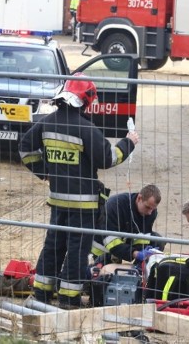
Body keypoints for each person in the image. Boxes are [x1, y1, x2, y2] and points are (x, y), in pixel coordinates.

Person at [19, 73, 139, 309]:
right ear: (85, 100)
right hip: (83, 206)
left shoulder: (46, 123)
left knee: (53, 245)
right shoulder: (86, 129)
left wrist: (44, 171)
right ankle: (68, 299)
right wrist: (128, 143)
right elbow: (107, 158)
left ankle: (42, 294)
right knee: (77, 250)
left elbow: (25, 149)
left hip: (57, 202)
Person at [91, 184, 164, 272]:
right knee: (105, 276)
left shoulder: (151, 212)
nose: (149, 212)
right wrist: (135, 253)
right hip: (104, 248)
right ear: (139, 198)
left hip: (123, 242)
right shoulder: (115, 205)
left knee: (158, 241)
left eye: (153, 209)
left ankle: (139, 272)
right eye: (147, 207)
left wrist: (144, 252)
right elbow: (110, 241)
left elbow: (143, 236)